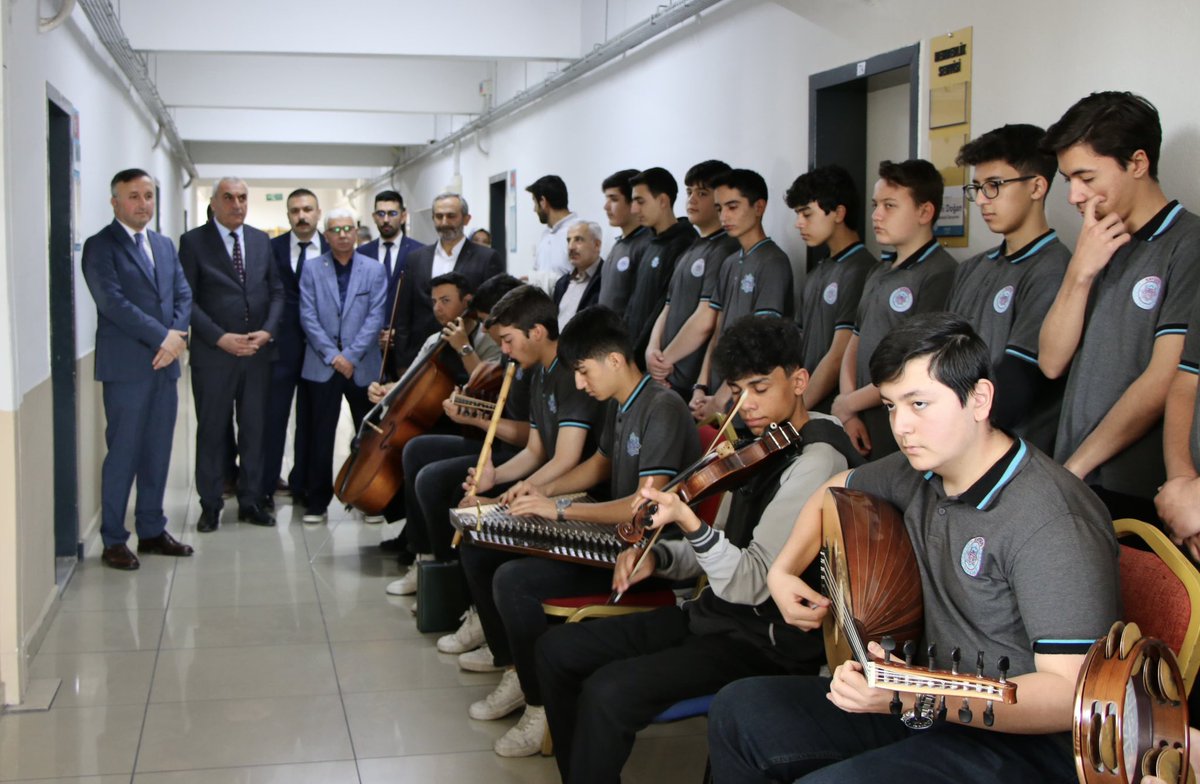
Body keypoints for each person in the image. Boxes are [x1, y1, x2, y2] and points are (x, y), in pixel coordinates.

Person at [707, 312, 1120, 784]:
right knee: (741, 710)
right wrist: (781, 572)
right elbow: (834, 489)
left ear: (979, 399)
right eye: (889, 406)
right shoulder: (919, 468)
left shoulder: (1053, 518)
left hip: (1022, 746)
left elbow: (1070, 695)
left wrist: (910, 694)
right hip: (928, 708)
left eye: (919, 403)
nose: (901, 426)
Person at [536, 315, 861, 783]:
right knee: (557, 649)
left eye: (760, 388)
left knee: (609, 692)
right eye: (736, 389)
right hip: (712, 615)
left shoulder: (817, 461)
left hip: (761, 643)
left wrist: (690, 522)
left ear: (799, 380)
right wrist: (660, 558)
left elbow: (751, 582)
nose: (745, 405)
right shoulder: (760, 446)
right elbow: (720, 549)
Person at [457, 305, 700, 758]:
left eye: (584, 372)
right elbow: (598, 465)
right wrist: (536, 489)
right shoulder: (623, 402)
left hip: (645, 558)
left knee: (514, 581)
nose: (580, 384)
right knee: (487, 546)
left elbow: (643, 506)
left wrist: (561, 511)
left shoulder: (662, 407)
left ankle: (540, 705)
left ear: (615, 360)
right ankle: (518, 668)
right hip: (615, 539)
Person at [1039, 91, 1200, 524]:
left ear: (1138, 163)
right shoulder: (1096, 242)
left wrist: (1078, 465)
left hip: (1132, 486)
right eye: (1068, 179)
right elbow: (1052, 362)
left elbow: (1165, 377)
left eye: (1086, 177)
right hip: (1076, 471)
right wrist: (1080, 272)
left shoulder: (1188, 243)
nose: (1074, 195)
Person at [378, 274, 525, 594]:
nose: (437, 308)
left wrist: (477, 416)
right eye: (433, 301)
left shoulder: (513, 352)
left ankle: (447, 579)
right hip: (492, 436)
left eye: (445, 300)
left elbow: (529, 437)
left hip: (509, 451)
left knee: (431, 477)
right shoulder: (501, 349)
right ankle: (424, 557)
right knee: (416, 449)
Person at [81, 168, 194, 570]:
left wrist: (177, 336)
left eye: (148, 196)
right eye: (133, 196)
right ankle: (113, 538)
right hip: (128, 369)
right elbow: (112, 303)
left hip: (165, 368)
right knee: (124, 453)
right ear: (115, 202)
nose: (143, 203)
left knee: (157, 453)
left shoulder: (163, 245)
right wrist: (163, 338)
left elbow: (183, 292)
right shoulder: (100, 247)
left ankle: (151, 529)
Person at [947, 125, 1069, 455]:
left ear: (1037, 187)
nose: (983, 200)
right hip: (957, 440)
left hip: (1012, 451)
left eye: (995, 186)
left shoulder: (1054, 268)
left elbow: (1019, 384)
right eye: (977, 188)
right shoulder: (972, 268)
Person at [831, 159, 955, 459]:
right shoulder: (879, 270)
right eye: (876, 205)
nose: (876, 216)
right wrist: (848, 407)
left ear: (925, 212)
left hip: (901, 427)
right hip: (859, 418)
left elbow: (916, 365)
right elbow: (855, 340)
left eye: (889, 206)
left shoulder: (940, 272)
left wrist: (850, 404)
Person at [179, 176, 283, 532]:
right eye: (229, 198)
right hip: (215, 356)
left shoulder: (259, 240)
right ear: (214, 203)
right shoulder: (193, 243)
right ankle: (210, 505)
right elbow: (186, 300)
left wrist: (268, 331)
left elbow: (277, 292)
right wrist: (219, 337)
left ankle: (251, 501)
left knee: (254, 430)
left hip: (256, 355)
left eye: (242, 197)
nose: (237, 204)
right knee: (211, 432)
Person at [297, 209, 387, 524]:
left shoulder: (374, 270)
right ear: (326, 235)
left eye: (349, 228)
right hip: (322, 365)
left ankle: (367, 498)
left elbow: (376, 316)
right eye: (336, 229)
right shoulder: (311, 269)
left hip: (362, 365)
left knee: (367, 435)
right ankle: (317, 501)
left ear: (357, 230)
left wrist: (349, 355)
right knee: (319, 435)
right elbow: (307, 316)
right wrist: (333, 355)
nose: (343, 234)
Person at [691, 168, 795, 421]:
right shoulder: (729, 262)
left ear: (759, 207)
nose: (724, 216)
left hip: (747, 403)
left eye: (733, 206)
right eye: (719, 208)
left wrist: (722, 398)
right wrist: (702, 386)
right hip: (720, 396)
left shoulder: (773, 262)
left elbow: (759, 343)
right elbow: (718, 331)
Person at [786, 165, 881, 413]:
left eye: (807, 214)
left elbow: (839, 354)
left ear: (838, 213)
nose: (799, 224)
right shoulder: (817, 271)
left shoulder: (861, 269)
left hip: (833, 411)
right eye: (797, 214)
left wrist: (799, 409)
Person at [645, 159, 741, 399]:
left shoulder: (725, 249)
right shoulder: (691, 247)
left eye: (702, 193)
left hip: (690, 381)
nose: (692, 200)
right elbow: (667, 307)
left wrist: (665, 360)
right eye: (689, 192)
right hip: (666, 372)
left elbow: (706, 318)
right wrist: (652, 350)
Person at [263, 188, 329, 510]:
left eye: (307, 209)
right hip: (279, 350)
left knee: (312, 419)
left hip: (320, 350)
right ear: (287, 215)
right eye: (294, 211)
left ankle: (305, 483)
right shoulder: (270, 249)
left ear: (318, 212)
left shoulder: (333, 250)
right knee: (272, 418)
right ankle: (265, 485)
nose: (301, 216)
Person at [390, 193, 504, 372]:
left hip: (468, 356)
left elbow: (495, 310)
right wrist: (403, 362)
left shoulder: (487, 258)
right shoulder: (416, 259)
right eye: (439, 216)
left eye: (451, 216)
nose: (444, 222)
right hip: (422, 359)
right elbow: (404, 314)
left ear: (466, 219)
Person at [621, 167, 696, 358]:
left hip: (655, 357)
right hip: (632, 351)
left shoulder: (684, 244)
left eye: (640, 201)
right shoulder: (649, 241)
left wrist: (641, 351)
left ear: (663, 200)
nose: (634, 209)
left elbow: (664, 307)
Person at [357, 189, 423, 324]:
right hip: (368, 335)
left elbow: (421, 300)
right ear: (374, 217)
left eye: (392, 214)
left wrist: (398, 332)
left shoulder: (420, 252)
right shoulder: (361, 254)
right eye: (380, 214)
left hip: (405, 335)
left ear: (403, 216)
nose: (386, 220)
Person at [596, 169, 651, 314]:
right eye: (606, 199)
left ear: (633, 201)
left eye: (614, 199)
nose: (606, 207)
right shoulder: (618, 245)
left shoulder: (647, 245)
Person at [527, 174, 581, 290]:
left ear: (543, 201)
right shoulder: (546, 235)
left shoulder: (578, 231)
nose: (534, 209)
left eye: (534, 202)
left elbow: (581, 280)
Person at [553, 221, 604, 331]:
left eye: (578, 240)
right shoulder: (562, 283)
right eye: (568, 240)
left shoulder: (606, 279)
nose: (571, 247)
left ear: (597, 245)